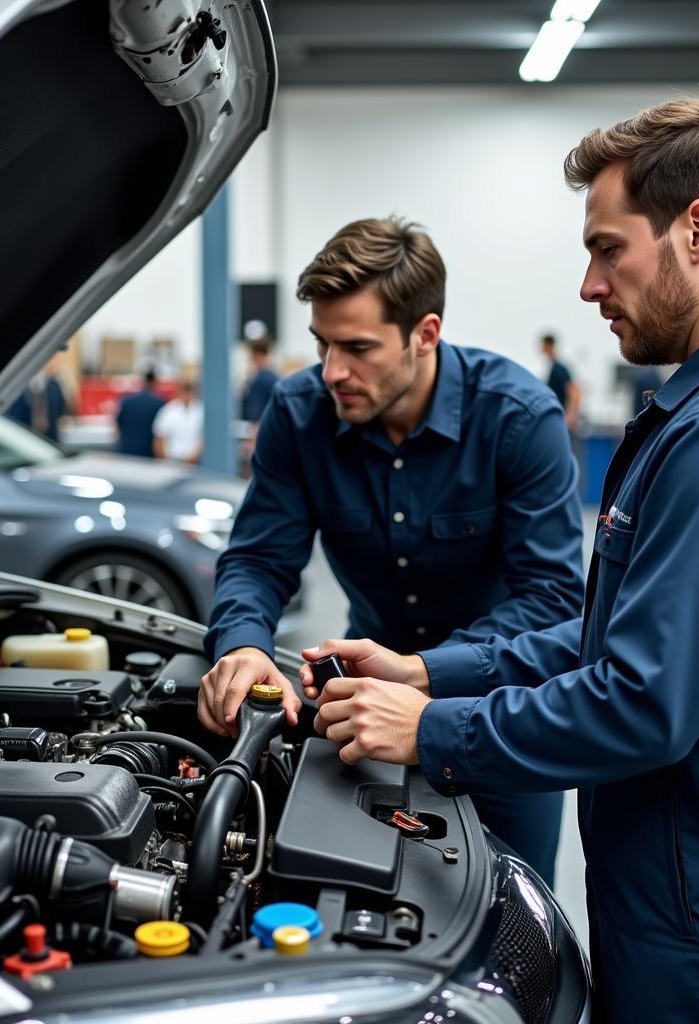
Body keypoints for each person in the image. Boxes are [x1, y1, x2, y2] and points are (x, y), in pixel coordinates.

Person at [304, 98, 699, 1022]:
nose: (589, 285)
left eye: (608, 249)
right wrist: (427, 672)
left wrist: (430, 731)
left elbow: (642, 700)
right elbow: (614, 638)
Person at [198, 217, 584, 887]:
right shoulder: (299, 412)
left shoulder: (519, 419)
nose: (331, 372)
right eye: (321, 344)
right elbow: (260, 558)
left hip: (498, 719)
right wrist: (242, 642)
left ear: (425, 334)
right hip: (359, 714)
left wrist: (423, 671)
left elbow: (551, 599)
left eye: (357, 347)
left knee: (509, 912)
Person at [8, 353, 68, 442]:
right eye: (54, 359)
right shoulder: (18, 386)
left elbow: (61, 409)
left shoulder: (54, 385)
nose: (56, 363)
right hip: (23, 437)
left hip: (50, 439)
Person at [115, 369, 166, 458]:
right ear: (154, 382)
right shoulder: (159, 403)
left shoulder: (127, 402)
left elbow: (118, 426)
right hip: (148, 454)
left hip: (126, 451)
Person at [153, 378, 203, 464]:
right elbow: (159, 437)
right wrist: (165, 460)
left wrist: (193, 457)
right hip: (172, 460)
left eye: (189, 392)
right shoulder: (169, 410)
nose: (187, 396)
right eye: (184, 392)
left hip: (194, 462)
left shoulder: (200, 410)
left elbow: (203, 437)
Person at [541, 333, 582, 430]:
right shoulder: (553, 368)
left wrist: (570, 416)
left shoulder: (558, 369)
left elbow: (574, 392)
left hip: (561, 418)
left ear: (548, 345)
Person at [241, 339, 280, 425]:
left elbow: (257, 411)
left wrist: (254, 434)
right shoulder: (274, 376)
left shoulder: (260, 379)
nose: (250, 360)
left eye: (251, 356)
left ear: (257, 356)